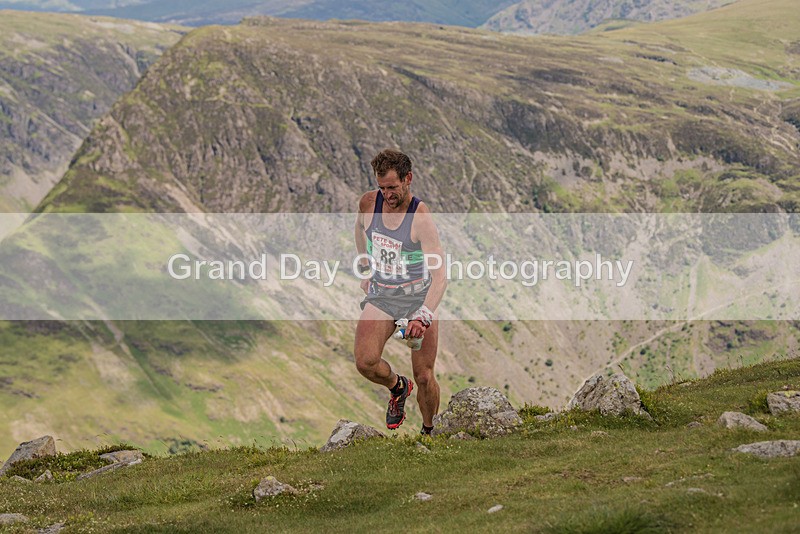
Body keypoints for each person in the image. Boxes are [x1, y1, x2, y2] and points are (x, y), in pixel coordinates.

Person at [354, 149, 447, 434]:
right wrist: (366, 267)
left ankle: (429, 433)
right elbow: (359, 228)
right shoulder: (369, 203)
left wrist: (423, 315)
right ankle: (398, 387)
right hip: (383, 295)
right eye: (382, 188)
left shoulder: (420, 218)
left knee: (424, 375)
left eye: (393, 187)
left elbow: (440, 276)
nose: (387, 195)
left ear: (408, 179)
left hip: (417, 298)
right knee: (365, 362)